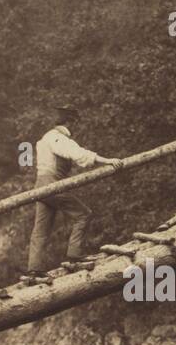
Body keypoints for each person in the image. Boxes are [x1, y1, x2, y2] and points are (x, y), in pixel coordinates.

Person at [26, 105, 121, 274]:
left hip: (40, 186)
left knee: (41, 229)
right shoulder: (57, 138)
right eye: (75, 123)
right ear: (69, 122)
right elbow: (77, 153)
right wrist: (107, 160)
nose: (76, 127)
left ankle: (34, 269)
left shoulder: (44, 139)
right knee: (83, 214)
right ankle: (74, 256)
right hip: (52, 184)